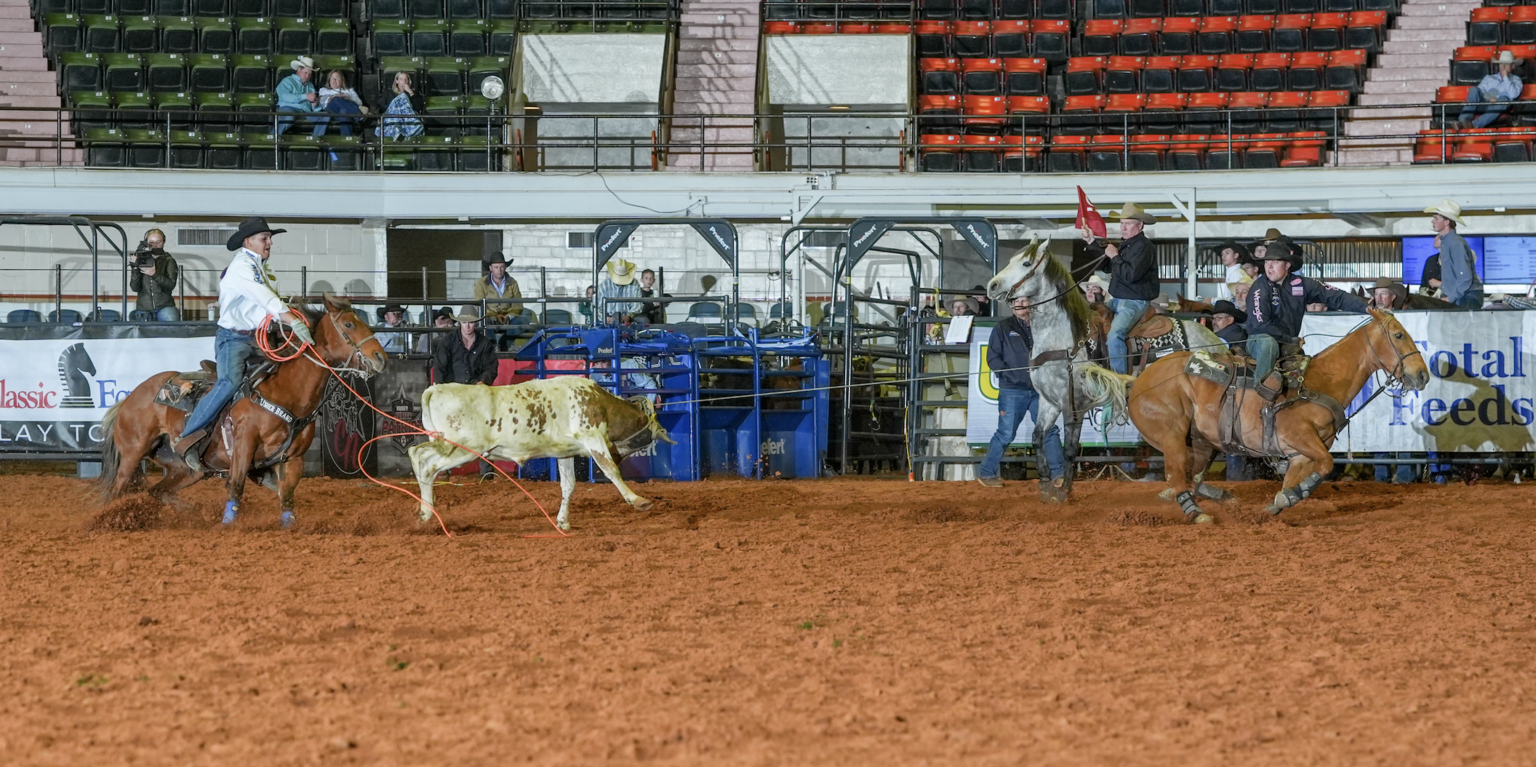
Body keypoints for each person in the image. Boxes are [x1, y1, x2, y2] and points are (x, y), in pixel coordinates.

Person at [174, 217, 314, 456]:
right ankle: (187, 437)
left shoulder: (261, 267)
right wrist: (292, 320)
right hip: (234, 339)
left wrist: (287, 313)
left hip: (258, 338)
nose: (269, 243)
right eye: (264, 238)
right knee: (229, 382)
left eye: (270, 238)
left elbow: (265, 304)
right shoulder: (242, 266)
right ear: (249, 241)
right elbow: (265, 298)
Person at [1243, 239, 1368, 398]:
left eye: (1275, 262)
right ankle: (1260, 391)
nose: (1269, 266)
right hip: (1259, 340)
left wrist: (1365, 307)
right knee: (1268, 343)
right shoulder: (1259, 287)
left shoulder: (1301, 284)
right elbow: (1261, 325)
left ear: (1287, 265)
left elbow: (1335, 295)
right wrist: (1290, 339)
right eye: (1267, 262)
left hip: (1287, 341)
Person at [976, 296, 1066, 488]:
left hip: (1039, 388)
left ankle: (1060, 473)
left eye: (1024, 300)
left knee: (1048, 430)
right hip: (1013, 389)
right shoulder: (1003, 327)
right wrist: (1008, 375)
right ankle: (986, 473)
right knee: (1006, 433)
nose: (1019, 304)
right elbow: (993, 357)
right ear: (1010, 305)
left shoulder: (1043, 326)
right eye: (1015, 301)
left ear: (1032, 303)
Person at [1082, 202, 1159, 375]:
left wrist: (1115, 256)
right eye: (1122, 223)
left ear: (1140, 225)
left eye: (1128, 223)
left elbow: (1131, 275)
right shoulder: (1128, 244)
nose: (1123, 227)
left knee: (1115, 336)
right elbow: (1109, 266)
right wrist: (1091, 241)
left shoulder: (1144, 247)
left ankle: (1120, 379)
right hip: (1117, 300)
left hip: (1134, 302)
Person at [431, 305, 499, 480]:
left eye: (471, 322)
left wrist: (482, 382)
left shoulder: (485, 343)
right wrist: (440, 388)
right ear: (459, 323)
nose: (468, 326)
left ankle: (487, 469)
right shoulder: (447, 342)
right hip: (452, 392)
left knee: (484, 429)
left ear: (476, 323)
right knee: (447, 430)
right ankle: (444, 467)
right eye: (465, 322)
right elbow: (440, 368)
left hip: (476, 392)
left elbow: (491, 367)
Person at [1424, 200, 1482, 310]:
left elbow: (1465, 277)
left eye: (1436, 218)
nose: (1432, 221)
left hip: (1466, 297)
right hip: (1462, 295)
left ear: (1447, 222)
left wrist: (1451, 298)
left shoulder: (1455, 243)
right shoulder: (1449, 242)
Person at [1459, 50, 1523, 129]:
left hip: (1501, 107)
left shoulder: (1516, 80)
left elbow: (1513, 95)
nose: (1503, 66)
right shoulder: (1489, 78)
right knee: (1474, 90)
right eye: (1501, 63)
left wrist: (1506, 78)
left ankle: (1474, 124)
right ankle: (1463, 121)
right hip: (1485, 103)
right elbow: (1480, 90)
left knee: (1504, 99)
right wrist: (1489, 98)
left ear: (1512, 66)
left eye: (1506, 64)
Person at [129, 227, 180, 321]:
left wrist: (154, 274)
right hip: (144, 307)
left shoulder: (168, 260)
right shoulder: (141, 259)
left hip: (165, 306)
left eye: (158, 242)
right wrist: (135, 268)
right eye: (151, 242)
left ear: (163, 242)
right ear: (146, 242)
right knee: (139, 331)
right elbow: (135, 288)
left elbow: (170, 285)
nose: (155, 245)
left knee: (171, 327)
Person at [274, 56, 328, 137]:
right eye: (306, 73)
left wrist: (315, 104)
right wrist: (305, 96)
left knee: (325, 116)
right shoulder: (287, 81)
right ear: (299, 69)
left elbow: (315, 106)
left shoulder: (310, 85)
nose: (307, 76)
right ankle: (272, 139)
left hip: (305, 112)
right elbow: (284, 97)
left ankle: (314, 142)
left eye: (309, 74)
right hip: (289, 108)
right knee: (288, 117)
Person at [473, 252, 524, 326]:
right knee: (484, 322)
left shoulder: (513, 282)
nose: (499, 270)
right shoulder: (481, 283)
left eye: (502, 267)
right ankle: (493, 338)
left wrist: (508, 316)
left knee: (522, 321)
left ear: (505, 267)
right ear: (491, 268)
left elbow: (518, 305)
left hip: (508, 319)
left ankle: (505, 338)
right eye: (496, 267)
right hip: (489, 318)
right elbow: (478, 305)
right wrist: (494, 317)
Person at [376, 71, 425, 140]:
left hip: (407, 119)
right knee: (398, 101)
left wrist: (411, 92)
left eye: (406, 79)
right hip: (393, 118)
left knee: (403, 97)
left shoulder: (413, 94)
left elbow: (418, 107)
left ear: (409, 82)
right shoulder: (389, 93)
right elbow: (380, 106)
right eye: (401, 79)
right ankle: (398, 134)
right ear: (397, 81)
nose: (404, 81)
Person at [318, 69, 365, 137]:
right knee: (336, 99)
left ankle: (346, 140)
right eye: (332, 78)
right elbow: (322, 103)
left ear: (342, 80)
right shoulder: (324, 90)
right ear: (329, 81)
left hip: (344, 112)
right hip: (330, 111)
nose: (334, 80)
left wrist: (348, 99)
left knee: (344, 111)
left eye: (337, 78)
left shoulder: (350, 90)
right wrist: (333, 97)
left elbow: (359, 102)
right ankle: (359, 115)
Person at [599, 259, 643, 323]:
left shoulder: (634, 283)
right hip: (608, 317)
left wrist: (629, 316)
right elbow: (597, 307)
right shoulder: (604, 285)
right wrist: (606, 318)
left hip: (629, 317)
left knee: (643, 321)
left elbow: (637, 305)